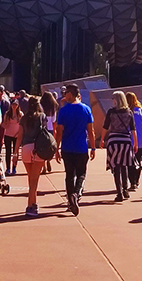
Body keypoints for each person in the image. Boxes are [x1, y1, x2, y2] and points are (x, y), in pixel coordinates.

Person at [55, 84, 96, 215]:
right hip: (81, 147)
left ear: (70, 94)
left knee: (69, 175)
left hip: (67, 147)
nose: (64, 95)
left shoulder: (63, 110)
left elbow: (59, 131)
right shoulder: (86, 109)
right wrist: (93, 147)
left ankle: (70, 200)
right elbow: (91, 130)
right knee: (81, 174)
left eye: (66, 93)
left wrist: (57, 148)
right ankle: (77, 194)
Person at [13, 95, 47, 217]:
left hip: (26, 148)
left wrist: (15, 153)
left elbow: (19, 136)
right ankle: (30, 205)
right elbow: (44, 132)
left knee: (30, 178)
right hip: (38, 148)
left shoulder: (24, 118)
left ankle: (34, 203)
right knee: (35, 179)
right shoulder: (42, 116)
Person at [101, 91, 137, 203]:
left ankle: (119, 192)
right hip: (126, 141)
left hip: (113, 141)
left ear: (116, 100)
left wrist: (102, 139)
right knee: (124, 164)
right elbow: (133, 129)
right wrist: (135, 143)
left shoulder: (111, 112)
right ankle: (126, 190)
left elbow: (105, 126)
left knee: (115, 166)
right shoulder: (129, 112)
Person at [2, 96, 22, 175]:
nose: (14, 106)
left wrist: (19, 133)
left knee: (15, 152)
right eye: (13, 104)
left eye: (16, 105)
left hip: (16, 136)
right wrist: (3, 125)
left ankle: (14, 167)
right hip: (8, 135)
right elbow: (4, 124)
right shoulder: (7, 113)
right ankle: (8, 168)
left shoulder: (20, 114)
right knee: (8, 152)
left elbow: (22, 125)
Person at [40, 91, 59, 174]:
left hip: (42, 129)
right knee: (50, 147)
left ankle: (43, 166)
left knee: (41, 147)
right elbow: (54, 120)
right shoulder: (53, 107)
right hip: (50, 128)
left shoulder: (40, 106)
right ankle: (49, 159)